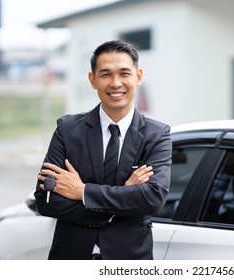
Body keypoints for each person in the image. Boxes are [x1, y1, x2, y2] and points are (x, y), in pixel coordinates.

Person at [34, 40, 172, 260]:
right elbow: (46, 199)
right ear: (93, 80)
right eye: (106, 74)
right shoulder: (68, 130)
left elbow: (153, 199)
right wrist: (124, 198)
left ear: (138, 77)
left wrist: (82, 192)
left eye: (124, 73)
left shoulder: (157, 135)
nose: (115, 83)